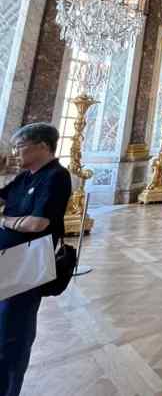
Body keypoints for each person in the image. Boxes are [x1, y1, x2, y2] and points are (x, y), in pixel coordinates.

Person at [0, 123, 72, 396]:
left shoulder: (56, 176)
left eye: (20, 146)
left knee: (13, 335)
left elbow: (38, 223)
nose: (15, 152)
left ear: (42, 146)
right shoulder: (25, 176)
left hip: (27, 267)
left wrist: (6, 220)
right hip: (8, 263)